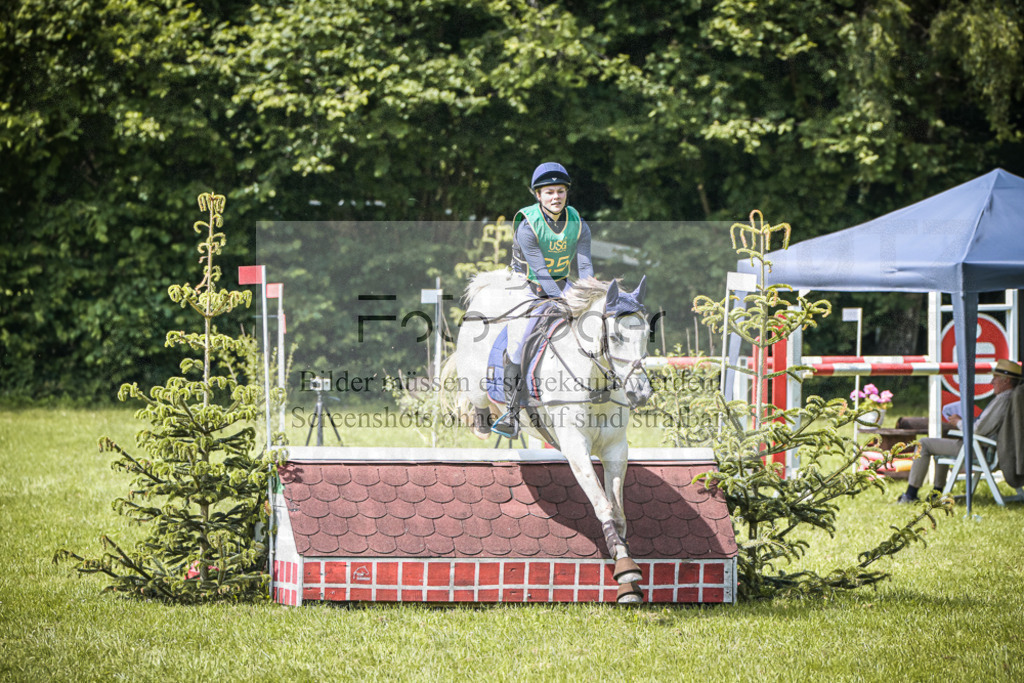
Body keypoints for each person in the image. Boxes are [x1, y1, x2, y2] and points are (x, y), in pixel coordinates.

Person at [491, 162, 594, 438]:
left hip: (561, 283)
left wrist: (590, 296)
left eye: (560, 191)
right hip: (525, 286)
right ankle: (512, 414)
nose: (555, 197)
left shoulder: (579, 224)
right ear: (538, 195)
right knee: (517, 343)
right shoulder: (527, 227)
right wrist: (565, 302)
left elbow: (584, 269)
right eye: (549, 192)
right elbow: (540, 273)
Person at [898, 358, 1022, 503]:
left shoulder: (1003, 400)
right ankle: (936, 493)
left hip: (979, 448)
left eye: (995, 378)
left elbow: (978, 430)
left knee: (923, 444)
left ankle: (910, 494)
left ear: (1006, 380)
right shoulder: (1012, 398)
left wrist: (958, 422)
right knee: (940, 446)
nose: (991, 382)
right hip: (986, 447)